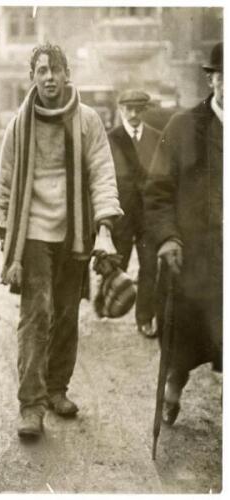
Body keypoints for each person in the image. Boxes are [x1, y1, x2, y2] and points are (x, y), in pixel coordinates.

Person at [0, 43, 122, 438]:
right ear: (32, 76)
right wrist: (4, 230)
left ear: (67, 74)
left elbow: (101, 172)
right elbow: (7, 177)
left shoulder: (87, 120)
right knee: (36, 315)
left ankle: (56, 389)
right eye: (41, 70)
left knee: (66, 313)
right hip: (32, 233)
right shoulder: (19, 123)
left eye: (55, 69)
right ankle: (31, 405)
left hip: (74, 232)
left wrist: (105, 228)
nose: (48, 77)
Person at [144, 42, 223, 425]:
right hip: (193, 260)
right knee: (184, 340)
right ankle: (174, 383)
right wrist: (168, 238)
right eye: (225, 76)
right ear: (213, 79)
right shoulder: (183, 127)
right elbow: (157, 193)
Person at [108, 90, 161, 338]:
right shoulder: (110, 140)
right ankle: (109, 302)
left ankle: (144, 318)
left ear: (145, 111)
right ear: (120, 109)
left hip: (149, 217)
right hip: (120, 214)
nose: (133, 114)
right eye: (128, 109)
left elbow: (164, 178)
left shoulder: (157, 139)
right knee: (118, 263)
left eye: (138, 109)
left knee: (150, 266)